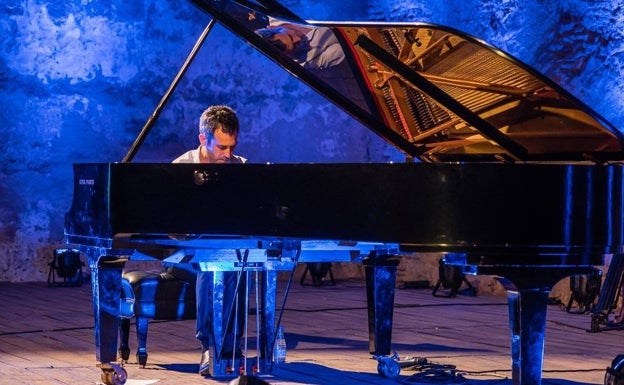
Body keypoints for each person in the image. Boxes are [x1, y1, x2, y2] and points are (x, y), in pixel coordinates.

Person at [172, 104, 247, 376]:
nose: (228, 155)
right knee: (213, 264)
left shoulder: (240, 168)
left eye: (232, 147)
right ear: (203, 139)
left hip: (225, 251)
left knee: (232, 264)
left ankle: (224, 346)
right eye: (221, 148)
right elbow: (168, 225)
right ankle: (214, 345)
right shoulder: (180, 169)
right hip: (183, 255)